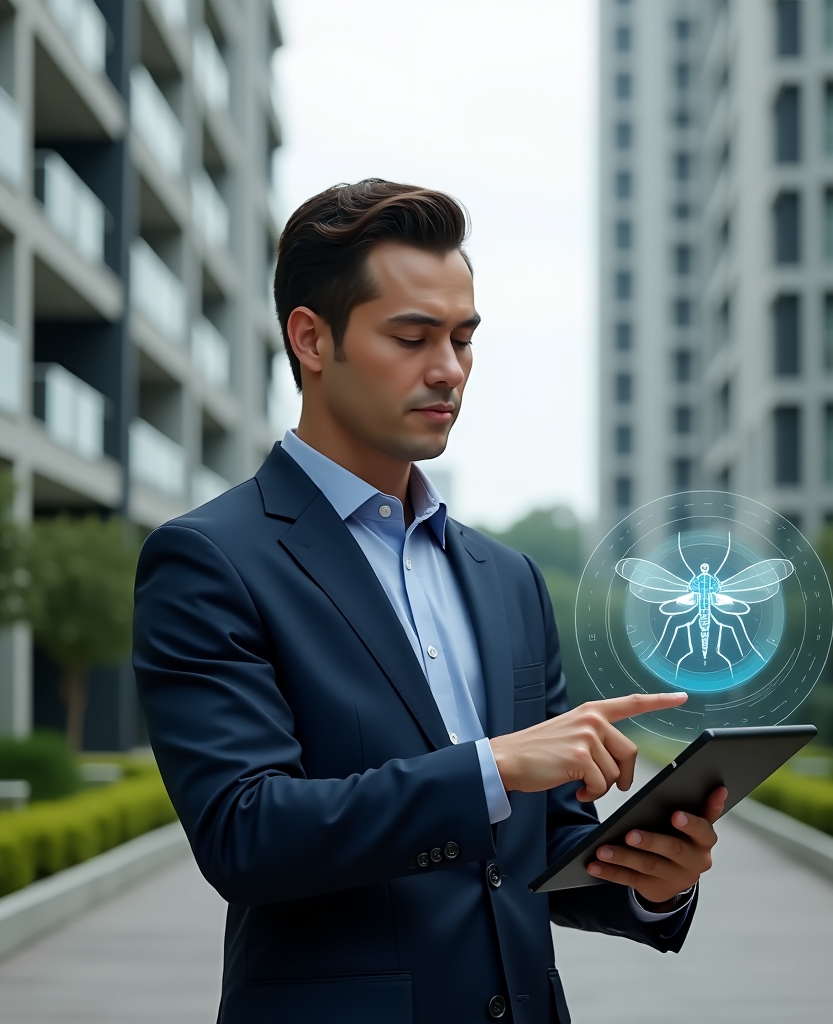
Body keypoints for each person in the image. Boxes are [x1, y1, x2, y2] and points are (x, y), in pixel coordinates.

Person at [133, 180, 726, 1024]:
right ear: (311, 338)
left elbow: (535, 850)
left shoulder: (507, 578)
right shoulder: (210, 559)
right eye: (411, 337)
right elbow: (245, 831)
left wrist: (649, 882)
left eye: (462, 337)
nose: (448, 368)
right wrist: (492, 766)